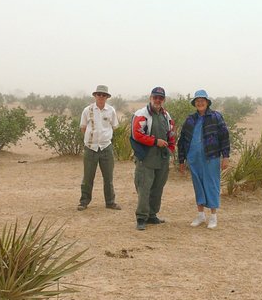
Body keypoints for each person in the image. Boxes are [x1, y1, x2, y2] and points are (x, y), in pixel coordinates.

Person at [178, 89, 230, 229]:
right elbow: (182, 140)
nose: (200, 103)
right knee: (198, 185)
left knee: (212, 185)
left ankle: (213, 216)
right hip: (193, 158)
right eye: (197, 101)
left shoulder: (216, 117)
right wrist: (181, 160)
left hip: (211, 157)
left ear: (207, 102)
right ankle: (200, 215)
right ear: (195, 103)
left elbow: (224, 137)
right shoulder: (190, 119)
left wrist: (225, 157)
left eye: (202, 101)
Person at [130, 86, 176, 230]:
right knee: (144, 188)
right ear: (150, 98)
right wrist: (155, 141)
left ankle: (152, 215)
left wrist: (170, 149)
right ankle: (141, 218)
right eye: (155, 97)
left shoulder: (166, 116)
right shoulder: (141, 114)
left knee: (157, 188)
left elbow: (172, 134)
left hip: (162, 158)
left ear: (164, 100)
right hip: (146, 157)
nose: (157, 100)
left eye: (160, 98)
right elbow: (136, 134)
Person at [78, 85, 121, 211]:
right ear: (95, 96)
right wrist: (91, 140)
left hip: (106, 147)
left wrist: (104, 138)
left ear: (107, 97)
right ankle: (84, 202)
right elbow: (83, 127)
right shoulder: (87, 110)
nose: (101, 97)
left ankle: (110, 202)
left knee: (108, 177)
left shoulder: (111, 111)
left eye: (104, 95)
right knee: (88, 177)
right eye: (99, 94)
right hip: (91, 148)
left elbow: (114, 126)